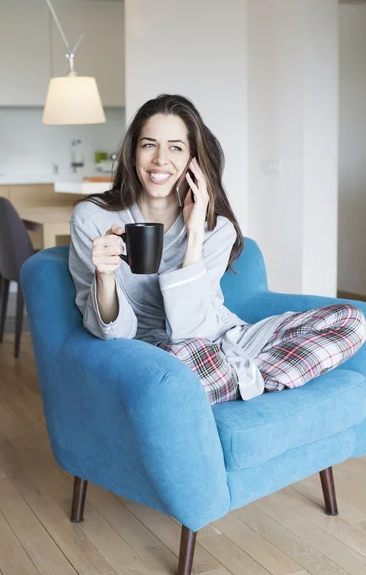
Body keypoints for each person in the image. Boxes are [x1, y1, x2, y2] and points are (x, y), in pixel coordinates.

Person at [69, 94, 366, 404]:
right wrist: (105, 277)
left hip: (224, 340)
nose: (160, 159)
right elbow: (116, 335)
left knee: (351, 319)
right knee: (180, 362)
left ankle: (233, 381)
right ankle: (242, 380)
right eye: (149, 145)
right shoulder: (93, 218)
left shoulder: (216, 228)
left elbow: (198, 326)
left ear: (192, 160)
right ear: (133, 155)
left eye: (176, 147)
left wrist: (195, 234)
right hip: (159, 354)